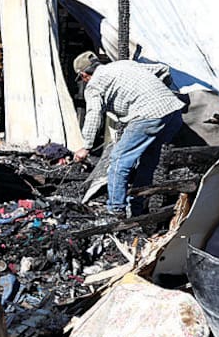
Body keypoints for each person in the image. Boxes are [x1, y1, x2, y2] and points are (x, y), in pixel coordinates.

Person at [71, 51, 185, 216]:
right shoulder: (123, 64)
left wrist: (86, 146)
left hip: (148, 115)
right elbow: (162, 69)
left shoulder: (94, 85)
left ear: (84, 75)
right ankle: (137, 207)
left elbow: (93, 114)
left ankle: (116, 209)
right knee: (148, 159)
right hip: (173, 112)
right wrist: (160, 93)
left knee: (119, 160)